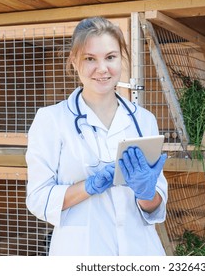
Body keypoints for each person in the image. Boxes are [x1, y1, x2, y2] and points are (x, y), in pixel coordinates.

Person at [25, 16, 168, 256]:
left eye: (110, 57)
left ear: (121, 59)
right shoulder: (51, 120)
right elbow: (38, 198)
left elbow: (154, 206)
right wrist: (89, 186)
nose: (102, 69)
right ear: (73, 61)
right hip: (82, 252)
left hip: (141, 251)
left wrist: (147, 192)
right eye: (90, 59)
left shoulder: (144, 120)